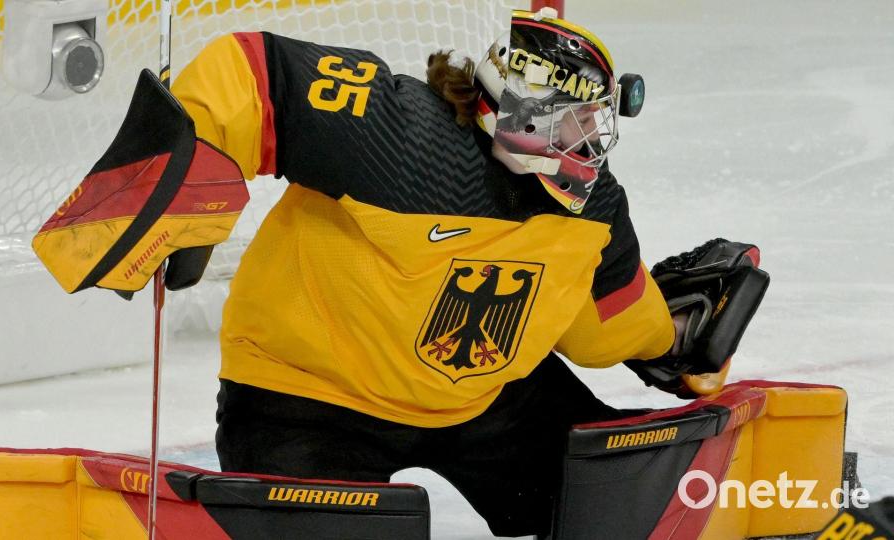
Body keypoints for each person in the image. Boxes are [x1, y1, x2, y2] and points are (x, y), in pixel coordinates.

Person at [170, 9, 679, 537]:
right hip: (308, 400)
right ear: (527, 111)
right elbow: (254, 72)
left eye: (596, 120)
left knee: (619, 492)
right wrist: (180, 172)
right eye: (578, 119)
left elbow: (607, 315)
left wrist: (674, 340)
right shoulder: (400, 134)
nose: (592, 139)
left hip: (480, 396)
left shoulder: (594, 202)